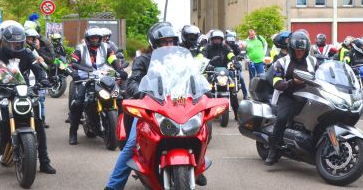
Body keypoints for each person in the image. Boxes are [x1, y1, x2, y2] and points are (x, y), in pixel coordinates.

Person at [105, 22, 207, 189]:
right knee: (132, 144)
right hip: (153, 107)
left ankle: (198, 166)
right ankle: (113, 186)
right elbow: (133, 80)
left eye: (171, 41)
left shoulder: (183, 60)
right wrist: (139, 92)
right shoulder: (143, 60)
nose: (168, 45)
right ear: (155, 43)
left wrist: (204, 91)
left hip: (179, 106)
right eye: (163, 42)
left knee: (201, 131)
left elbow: (195, 78)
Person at [0, 20, 56, 178]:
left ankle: (44, 162)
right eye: (12, 43)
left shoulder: (27, 53)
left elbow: (37, 69)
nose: (15, 47)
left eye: (18, 43)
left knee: (38, 123)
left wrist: (44, 79)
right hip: (1, 89)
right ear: (3, 41)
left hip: (21, 89)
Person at [265, 30, 318, 166]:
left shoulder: (313, 61)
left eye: (302, 50)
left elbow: (322, 75)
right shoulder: (282, 62)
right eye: (297, 50)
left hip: (309, 95)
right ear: (291, 49)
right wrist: (291, 82)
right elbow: (277, 82)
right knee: (282, 118)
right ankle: (273, 150)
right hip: (288, 95)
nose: (300, 53)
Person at [68, 27, 127, 145]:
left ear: (100, 39)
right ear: (87, 39)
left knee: (120, 97)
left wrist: (120, 70)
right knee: (78, 103)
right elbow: (72, 63)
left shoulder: (106, 47)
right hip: (85, 77)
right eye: (92, 38)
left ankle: (124, 130)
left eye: (97, 38)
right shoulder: (80, 49)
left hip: (104, 75)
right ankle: (73, 133)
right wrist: (75, 74)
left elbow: (113, 61)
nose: (95, 40)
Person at [202, 30, 240, 120]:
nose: (217, 41)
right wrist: (205, 64)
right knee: (205, 91)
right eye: (215, 39)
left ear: (221, 39)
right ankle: (205, 113)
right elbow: (202, 56)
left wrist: (234, 60)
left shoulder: (225, 47)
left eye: (219, 39)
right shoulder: (207, 47)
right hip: (210, 71)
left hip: (224, 72)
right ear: (212, 39)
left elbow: (230, 54)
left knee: (233, 91)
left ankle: (237, 114)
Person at [25, 28, 50, 128]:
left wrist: (40, 58)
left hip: (36, 79)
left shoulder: (36, 50)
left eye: (33, 39)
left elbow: (46, 65)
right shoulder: (22, 50)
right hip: (23, 79)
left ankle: (41, 120)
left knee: (40, 100)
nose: (31, 41)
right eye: (29, 39)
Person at [225, 30, 248, 99]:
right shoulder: (224, 46)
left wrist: (240, 55)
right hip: (225, 65)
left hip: (235, 64)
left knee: (241, 78)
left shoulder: (235, 46)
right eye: (229, 39)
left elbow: (239, 52)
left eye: (232, 39)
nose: (230, 41)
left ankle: (245, 94)